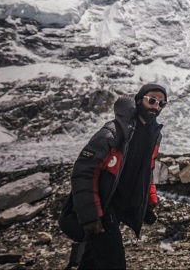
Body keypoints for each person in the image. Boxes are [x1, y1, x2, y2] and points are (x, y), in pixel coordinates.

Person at [69, 83, 167, 269]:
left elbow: (146, 172)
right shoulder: (113, 131)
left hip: (120, 207)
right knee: (114, 263)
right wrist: (91, 215)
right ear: (139, 100)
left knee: (92, 262)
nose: (156, 106)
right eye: (152, 100)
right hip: (104, 207)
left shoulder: (153, 135)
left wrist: (149, 203)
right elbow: (84, 170)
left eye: (161, 104)